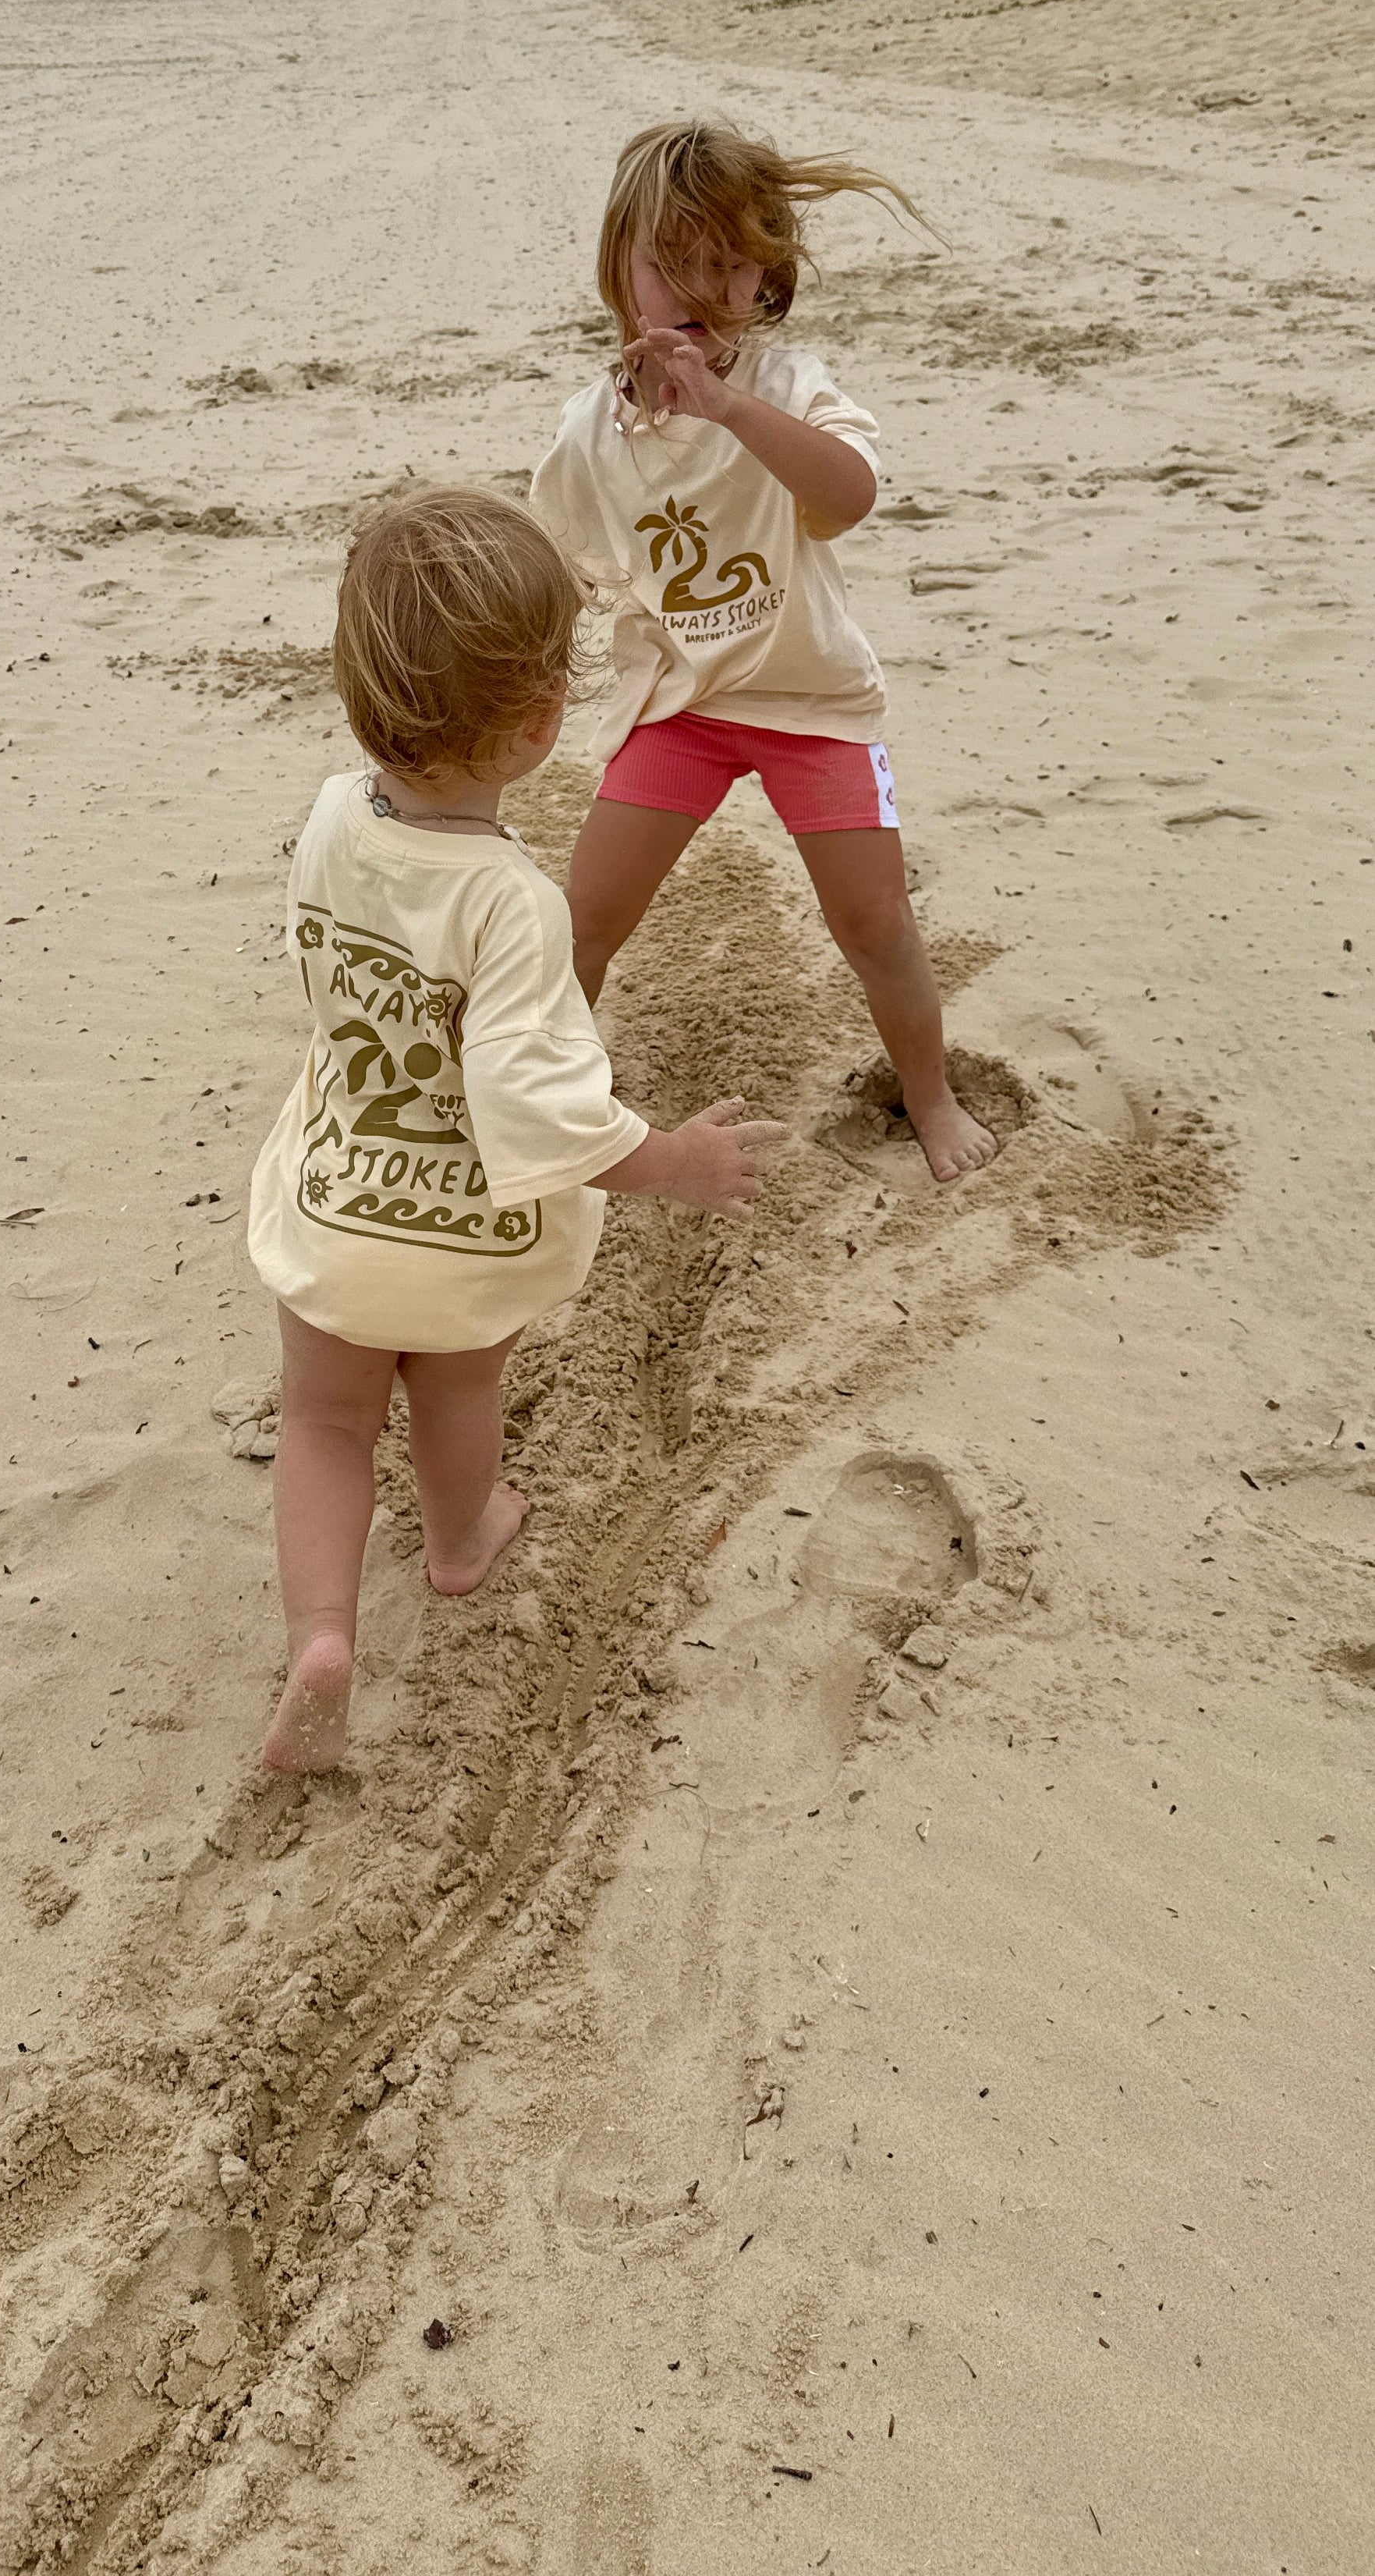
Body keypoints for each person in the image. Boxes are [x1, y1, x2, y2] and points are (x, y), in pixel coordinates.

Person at [246, 488, 785, 1772]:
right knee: (457, 1389)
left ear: (357, 698)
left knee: (323, 1422)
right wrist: (673, 1160)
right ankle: (461, 1537)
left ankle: (321, 1636)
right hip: (463, 1234)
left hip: (339, 1202)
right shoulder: (513, 904)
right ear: (542, 722)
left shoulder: (330, 818)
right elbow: (539, 1107)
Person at [532, 117, 999, 1187]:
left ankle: (929, 1095)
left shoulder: (788, 388)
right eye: (672, 264)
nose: (703, 290)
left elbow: (851, 494)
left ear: (766, 275)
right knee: (585, 918)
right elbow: (560, 568)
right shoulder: (587, 433)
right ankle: (545, 1102)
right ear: (619, 270)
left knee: (873, 919)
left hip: (811, 699)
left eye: (730, 265)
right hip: (681, 706)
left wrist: (731, 408)